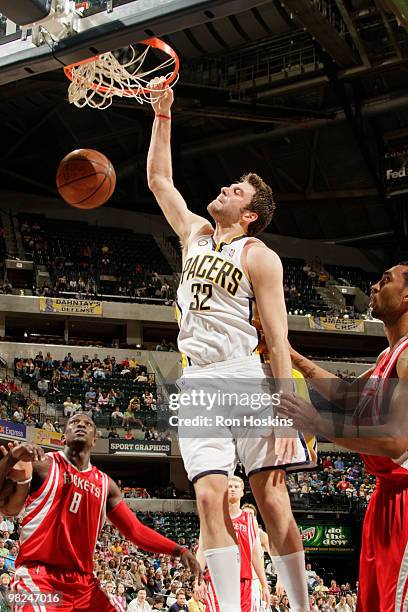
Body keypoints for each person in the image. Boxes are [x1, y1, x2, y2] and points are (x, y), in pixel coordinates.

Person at [147, 77, 313, 612]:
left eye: (237, 191)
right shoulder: (194, 234)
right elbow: (158, 180)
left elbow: (279, 336)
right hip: (196, 377)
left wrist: (287, 406)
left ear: (250, 215)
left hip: (244, 374)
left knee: (270, 498)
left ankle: (303, 607)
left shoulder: (260, 256)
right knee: (207, 498)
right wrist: (163, 114)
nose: (225, 188)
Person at [278, 262, 408, 612]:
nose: (375, 286)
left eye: (386, 280)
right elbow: (349, 394)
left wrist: (318, 423)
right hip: (385, 500)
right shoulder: (388, 356)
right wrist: (294, 358)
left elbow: (397, 442)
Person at [0, 414, 200, 611]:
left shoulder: (106, 485)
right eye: (74, 422)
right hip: (38, 575)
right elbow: (5, 505)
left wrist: (178, 550)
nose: (80, 425)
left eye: (87, 424)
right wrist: (11, 458)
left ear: (95, 439)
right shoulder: (42, 465)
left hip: (83, 582)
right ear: (63, 436)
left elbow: (135, 531)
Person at [198, 476, 270, 612]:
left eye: (236, 487)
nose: (232, 489)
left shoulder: (250, 520)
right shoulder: (212, 517)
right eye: (229, 487)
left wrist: (264, 584)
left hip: (243, 580)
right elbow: (202, 550)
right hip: (218, 579)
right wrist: (197, 580)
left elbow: (255, 555)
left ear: (242, 492)